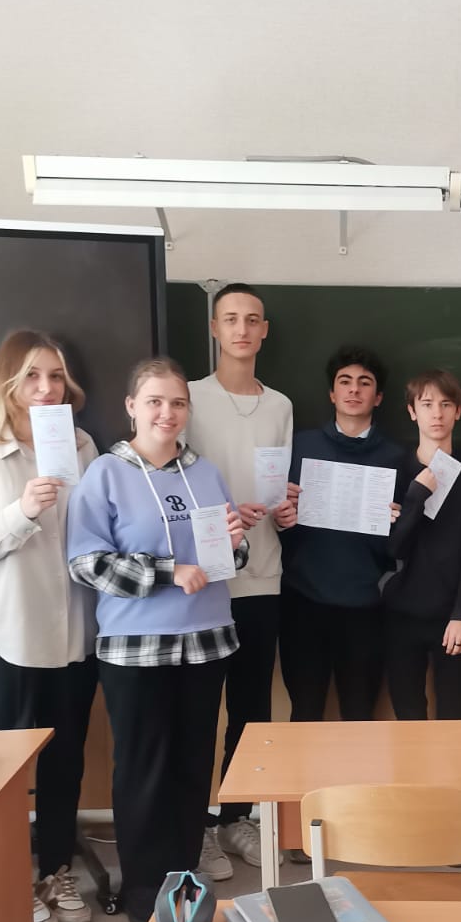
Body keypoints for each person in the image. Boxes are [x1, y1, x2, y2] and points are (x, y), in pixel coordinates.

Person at [66, 357, 247, 922]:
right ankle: (146, 891)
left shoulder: (205, 472)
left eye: (177, 403)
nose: (167, 413)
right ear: (132, 407)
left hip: (206, 642)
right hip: (137, 649)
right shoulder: (105, 473)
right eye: (155, 401)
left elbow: (229, 557)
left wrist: (234, 542)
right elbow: (87, 563)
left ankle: (184, 878)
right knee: (144, 768)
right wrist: (169, 572)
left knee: (193, 767)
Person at [0, 330, 99, 922]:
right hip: (5, 635)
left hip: (74, 633)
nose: (46, 388)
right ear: (7, 381)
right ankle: (9, 877)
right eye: (33, 375)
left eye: (56, 376)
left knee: (66, 761)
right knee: (4, 769)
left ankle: (56, 872)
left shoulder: (80, 444)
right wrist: (22, 511)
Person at [186, 282, 293, 876]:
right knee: (202, 708)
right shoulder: (190, 398)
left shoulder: (280, 405)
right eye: (231, 319)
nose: (242, 329)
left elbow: (276, 488)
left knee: (252, 707)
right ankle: (197, 825)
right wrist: (225, 517)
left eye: (252, 319)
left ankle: (236, 818)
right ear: (214, 328)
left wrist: (285, 508)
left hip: (264, 571)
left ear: (265, 330)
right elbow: (177, 480)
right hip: (206, 576)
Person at [276, 344, 406, 721]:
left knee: (359, 715)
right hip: (303, 602)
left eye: (364, 383)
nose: (354, 389)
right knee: (305, 712)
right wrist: (280, 515)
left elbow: (404, 544)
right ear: (332, 394)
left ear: (378, 397)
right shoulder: (299, 447)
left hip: (365, 606)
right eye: (344, 381)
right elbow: (275, 523)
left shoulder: (397, 459)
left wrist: (398, 522)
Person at [383, 368, 461, 719]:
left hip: (454, 616)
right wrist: (416, 496)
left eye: (446, 404)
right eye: (426, 404)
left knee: (454, 718)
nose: (437, 414)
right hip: (401, 615)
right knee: (408, 717)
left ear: (458, 411)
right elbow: (393, 548)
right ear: (412, 411)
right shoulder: (395, 470)